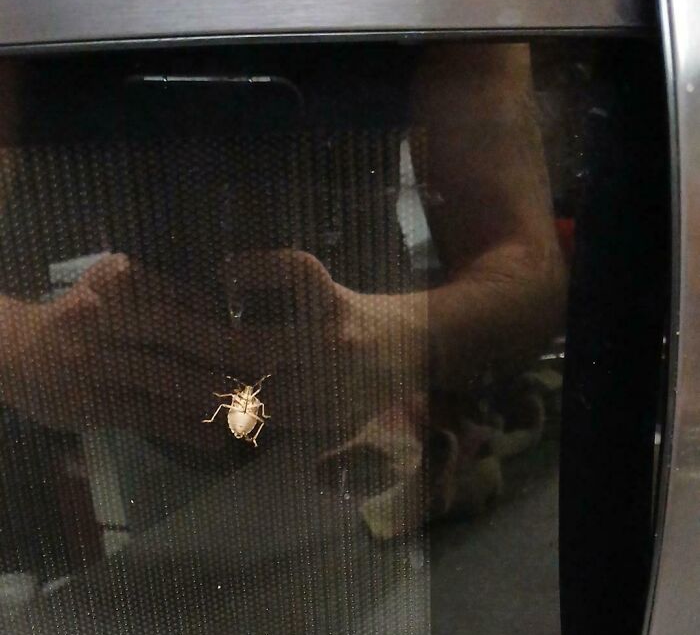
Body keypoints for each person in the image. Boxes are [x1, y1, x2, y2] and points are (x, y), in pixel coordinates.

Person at [0, 43, 565, 453]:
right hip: (127, 425)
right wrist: (22, 347)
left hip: (381, 422)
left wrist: (402, 341)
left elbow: (526, 270)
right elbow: (524, 266)